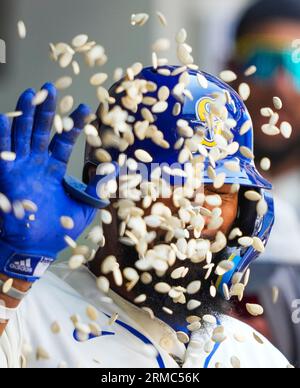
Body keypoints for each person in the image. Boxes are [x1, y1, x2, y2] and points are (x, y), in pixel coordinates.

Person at [0, 66, 291, 368]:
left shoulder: (255, 355)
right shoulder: (24, 313)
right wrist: (12, 275)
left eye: (219, 191)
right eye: (172, 184)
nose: (196, 214)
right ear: (106, 186)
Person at [227, 0, 300, 365]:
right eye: (265, 62)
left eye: (298, 64)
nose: (280, 85)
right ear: (231, 69)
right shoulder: (186, 189)